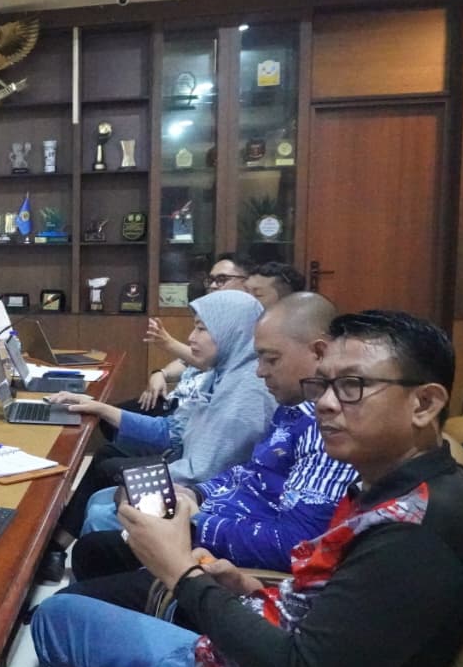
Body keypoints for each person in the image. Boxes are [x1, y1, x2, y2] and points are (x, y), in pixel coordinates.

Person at [0, 310, 463, 667]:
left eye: (352, 386)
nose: (327, 404)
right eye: (323, 384)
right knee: (59, 617)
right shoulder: (387, 484)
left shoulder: (415, 535)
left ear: (424, 404)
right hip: (229, 663)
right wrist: (245, 588)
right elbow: (336, 618)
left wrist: (182, 574)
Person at [64, 292, 355, 606]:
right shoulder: (288, 407)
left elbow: (295, 544)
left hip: (218, 556)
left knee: (75, 585)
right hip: (212, 520)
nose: (260, 371)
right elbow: (246, 474)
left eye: (271, 359)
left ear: (319, 353)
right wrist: (196, 494)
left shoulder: (327, 429)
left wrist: (197, 521)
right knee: (95, 543)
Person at [37, 289, 275, 582]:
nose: (191, 338)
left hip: (203, 501)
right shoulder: (221, 375)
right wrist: (100, 408)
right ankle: (89, 584)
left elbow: (204, 474)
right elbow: (172, 433)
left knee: (100, 509)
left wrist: (138, 479)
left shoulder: (247, 395)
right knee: (99, 496)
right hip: (187, 482)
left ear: (231, 331)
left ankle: (107, 589)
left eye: (202, 328)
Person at [136, 253, 255, 414]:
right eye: (211, 280)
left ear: (248, 282)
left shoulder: (249, 324)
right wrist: (161, 373)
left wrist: (168, 342)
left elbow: (214, 364)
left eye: (222, 279)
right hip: (175, 401)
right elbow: (186, 362)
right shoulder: (213, 314)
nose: (213, 286)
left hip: (192, 413)